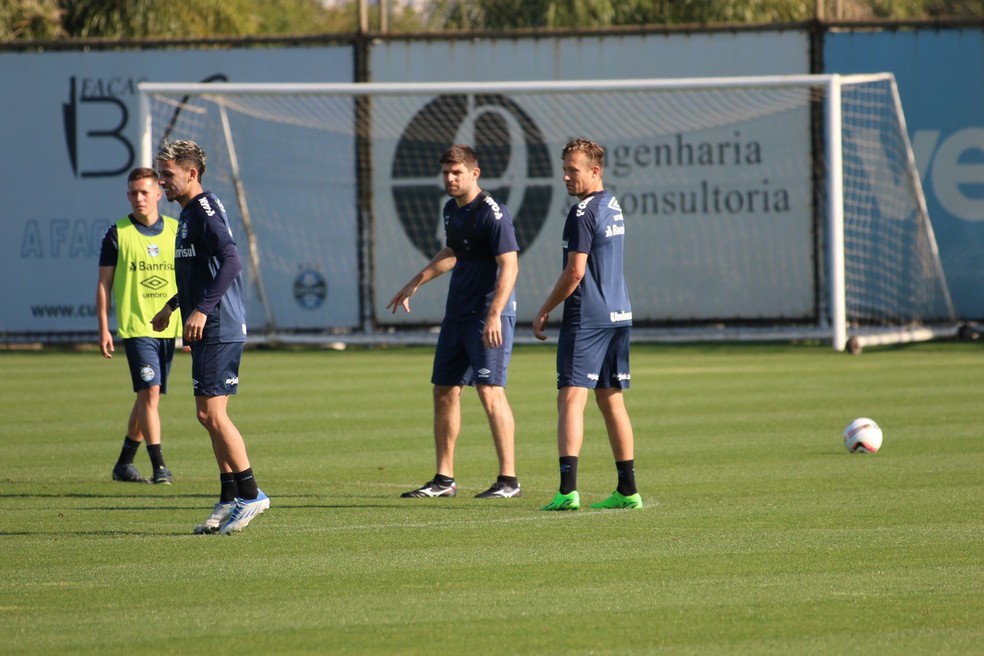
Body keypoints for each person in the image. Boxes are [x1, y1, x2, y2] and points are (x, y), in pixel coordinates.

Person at [387, 144, 522, 499]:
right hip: (458, 313)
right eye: (446, 172)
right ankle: (444, 480)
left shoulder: (493, 213)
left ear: (474, 173)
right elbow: (453, 252)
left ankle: (509, 480)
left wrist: (494, 312)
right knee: (444, 390)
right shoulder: (452, 210)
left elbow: (510, 264)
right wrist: (415, 281)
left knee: (491, 392)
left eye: (456, 172)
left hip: (487, 316)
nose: (449, 178)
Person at [150, 139, 269, 534]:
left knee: (212, 414)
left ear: (191, 173)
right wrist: (173, 305)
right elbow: (199, 270)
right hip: (207, 324)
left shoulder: (202, 210)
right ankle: (229, 496)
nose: (161, 182)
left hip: (219, 325)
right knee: (206, 415)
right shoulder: (188, 214)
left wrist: (200, 310)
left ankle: (251, 495)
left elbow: (232, 259)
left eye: (167, 175)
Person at [533, 138, 643, 511]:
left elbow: (575, 271)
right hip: (619, 314)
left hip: (588, 319)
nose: (565, 176)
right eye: (564, 169)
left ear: (595, 170)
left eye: (573, 170)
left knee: (570, 399)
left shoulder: (583, 213)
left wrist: (546, 308)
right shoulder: (612, 204)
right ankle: (628, 491)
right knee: (612, 401)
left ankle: (567, 492)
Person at [97, 167, 180, 485]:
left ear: (159, 193)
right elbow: (104, 283)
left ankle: (124, 464)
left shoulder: (175, 230)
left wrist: (187, 323)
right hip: (136, 326)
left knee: (150, 397)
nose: (139, 198)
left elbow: (186, 279)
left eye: (145, 192)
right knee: (150, 391)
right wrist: (104, 327)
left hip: (167, 326)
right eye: (133, 192)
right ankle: (160, 466)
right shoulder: (117, 233)